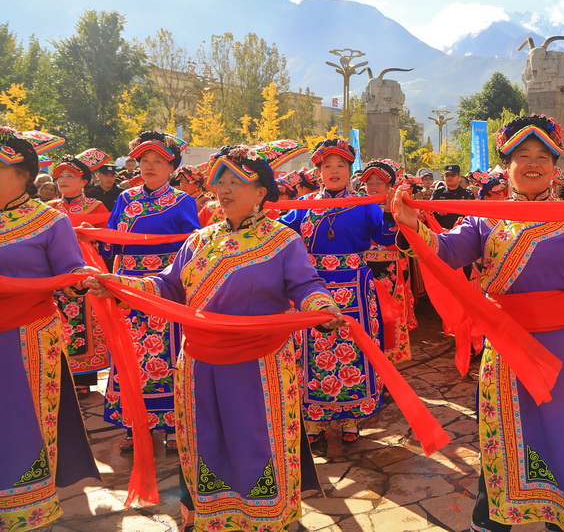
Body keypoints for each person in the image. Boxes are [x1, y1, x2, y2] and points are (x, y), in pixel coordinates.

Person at [392, 113, 564, 532]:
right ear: (507, 166)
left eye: (543, 156)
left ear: (555, 167)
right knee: (505, 434)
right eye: (522, 155)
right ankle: (493, 518)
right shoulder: (485, 219)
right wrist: (412, 225)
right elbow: (444, 252)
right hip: (509, 345)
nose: (533, 163)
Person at [86, 142, 347, 532]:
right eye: (220, 182)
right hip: (198, 365)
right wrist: (121, 286)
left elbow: (305, 284)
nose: (224, 190)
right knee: (205, 441)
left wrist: (322, 307)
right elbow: (168, 286)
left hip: (259, 366)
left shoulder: (282, 240)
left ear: (261, 192)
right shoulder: (199, 240)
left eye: (235, 182)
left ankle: (263, 518)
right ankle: (212, 516)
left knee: (255, 442)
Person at [0, 127, 99, 531]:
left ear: (23, 173)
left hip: (27, 337)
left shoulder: (49, 221)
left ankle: (26, 509)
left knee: (22, 422)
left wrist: (84, 277)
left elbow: (70, 271)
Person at [279, 139, 396, 445]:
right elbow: (279, 232)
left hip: (355, 286)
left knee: (354, 348)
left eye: (340, 165)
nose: (334, 171)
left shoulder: (364, 204)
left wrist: (389, 212)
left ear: (349, 170)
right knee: (312, 351)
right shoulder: (305, 205)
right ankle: (314, 419)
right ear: (318, 172)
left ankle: (351, 417)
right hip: (312, 287)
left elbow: (385, 237)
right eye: (327, 165)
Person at [103, 131, 201, 453]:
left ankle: (172, 424)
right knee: (129, 352)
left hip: (165, 284)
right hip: (128, 284)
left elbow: (193, 244)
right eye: (144, 160)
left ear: (171, 167)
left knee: (167, 353)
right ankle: (134, 422)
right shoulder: (125, 199)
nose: (149, 165)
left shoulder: (183, 201)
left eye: (157, 160)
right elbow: (112, 238)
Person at [49, 149, 112, 396]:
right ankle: (58, 374)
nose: (63, 180)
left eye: (70, 176)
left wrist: (91, 236)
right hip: (54, 269)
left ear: (84, 181)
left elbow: (108, 240)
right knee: (58, 316)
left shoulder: (96, 207)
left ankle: (84, 378)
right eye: (60, 176)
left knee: (85, 317)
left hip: (85, 267)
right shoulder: (49, 209)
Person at [360, 159, 416, 364]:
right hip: (364, 267)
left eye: (379, 183)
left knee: (391, 312)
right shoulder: (357, 206)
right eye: (370, 183)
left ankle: (391, 357)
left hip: (390, 266)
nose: (374, 187)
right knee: (368, 310)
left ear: (390, 186)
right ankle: (370, 356)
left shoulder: (399, 205)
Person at [430, 163, 474, 229]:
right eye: (447, 175)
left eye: (453, 175)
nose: (449, 177)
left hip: (462, 230)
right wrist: (437, 212)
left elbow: (472, 213)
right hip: (441, 231)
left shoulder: (467, 193)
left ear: (459, 177)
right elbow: (429, 211)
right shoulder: (438, 193)